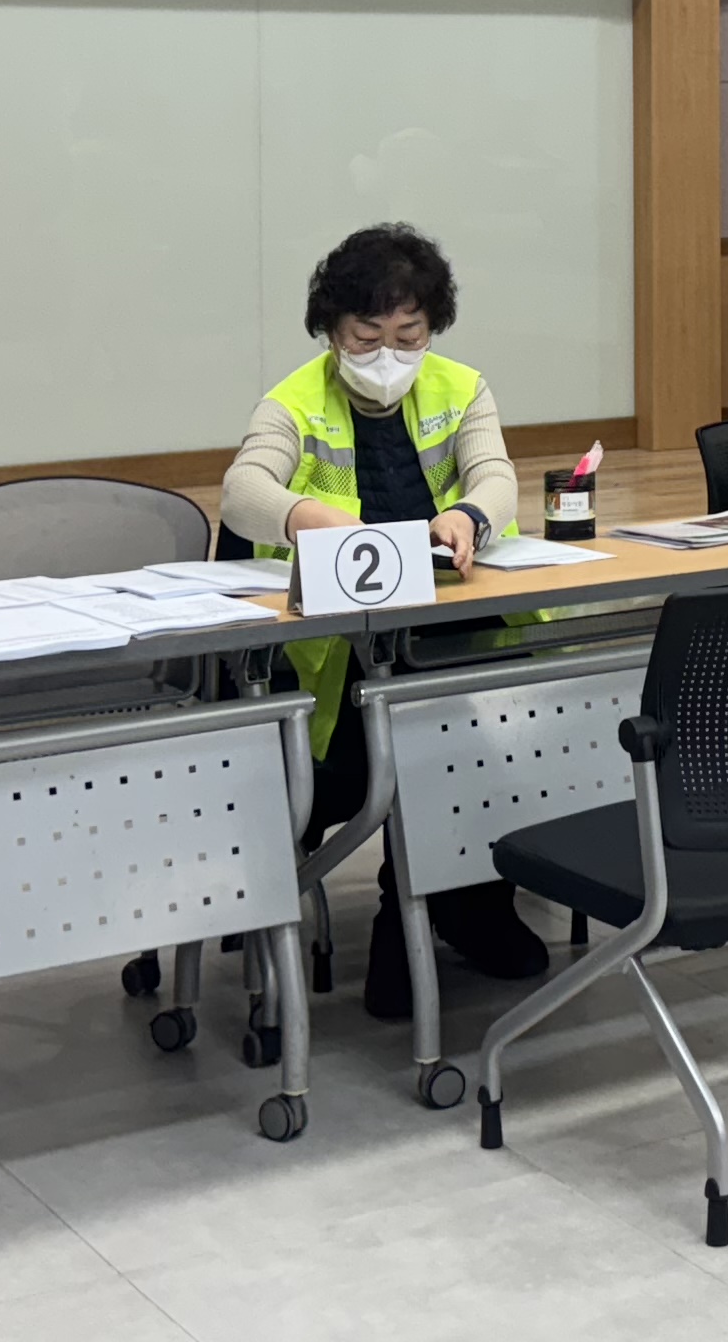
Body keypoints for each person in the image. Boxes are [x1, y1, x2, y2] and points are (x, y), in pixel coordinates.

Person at [221, 221, 550, 1017]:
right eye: (366, 337)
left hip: (451, 638)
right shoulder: (294, 403)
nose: (388, 356)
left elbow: (496, 477)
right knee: (427, 736)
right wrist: (305, 515)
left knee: (490, 720)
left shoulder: (460, 389)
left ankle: (466, 906)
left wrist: (470, 515)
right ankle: (414, 924)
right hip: (334, 672)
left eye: (410, 335)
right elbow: (241, 492)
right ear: (331, 330)